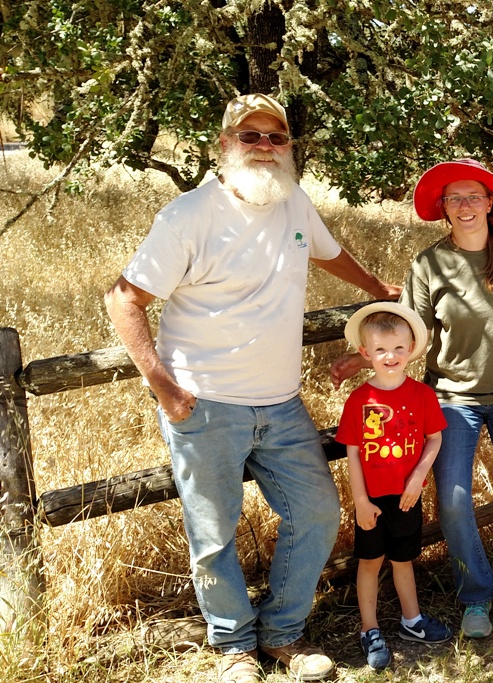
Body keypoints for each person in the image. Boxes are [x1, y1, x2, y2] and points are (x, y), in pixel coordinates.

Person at [104, 93, 400, 683]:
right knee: (213, 534)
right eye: (251, 136)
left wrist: (378, 289)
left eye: (276, 137)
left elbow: (329, 253)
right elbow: (123, 297)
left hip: (282, 402)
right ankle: (235, 645)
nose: (265, 147)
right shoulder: (188, 215)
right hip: (206, 404)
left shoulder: (294, 203)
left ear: (289, 147)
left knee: (316, 513)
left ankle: (283, 633)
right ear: (224, 144)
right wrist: (163, 385)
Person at [331, 158, 493, 671]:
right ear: (443, 209)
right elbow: (410, 334)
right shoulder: (429, 264)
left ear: (491, 203)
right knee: (456, 502)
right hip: (450, 401)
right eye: (453, 199)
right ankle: (477, 594)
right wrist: (362, 357)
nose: (464, 207)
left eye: (473, 197)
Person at [335, 302, 453, 670]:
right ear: (365, 353)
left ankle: (411, 620)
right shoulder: (359, 401)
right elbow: (353, 455)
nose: (391, 356)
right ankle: (369, 629)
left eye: (399, 348)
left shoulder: (421, 395)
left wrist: (418, 477)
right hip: (372, 500)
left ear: (411, 349)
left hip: (406, 496)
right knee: (369, 562)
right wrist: (360, 500)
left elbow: (433, 439)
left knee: (404, 559)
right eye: (382, 349)